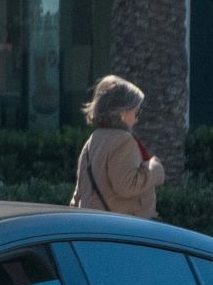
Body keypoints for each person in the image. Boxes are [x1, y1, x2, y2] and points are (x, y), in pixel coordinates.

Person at [71, 75, 165, 219]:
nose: (137, 118)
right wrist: (154, 170)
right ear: (122, 112)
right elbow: (127, 186)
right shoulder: (124, 141)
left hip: (93, 225)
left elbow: (79, 193)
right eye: (137, 112)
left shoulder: (94, 139)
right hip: (121, 228)